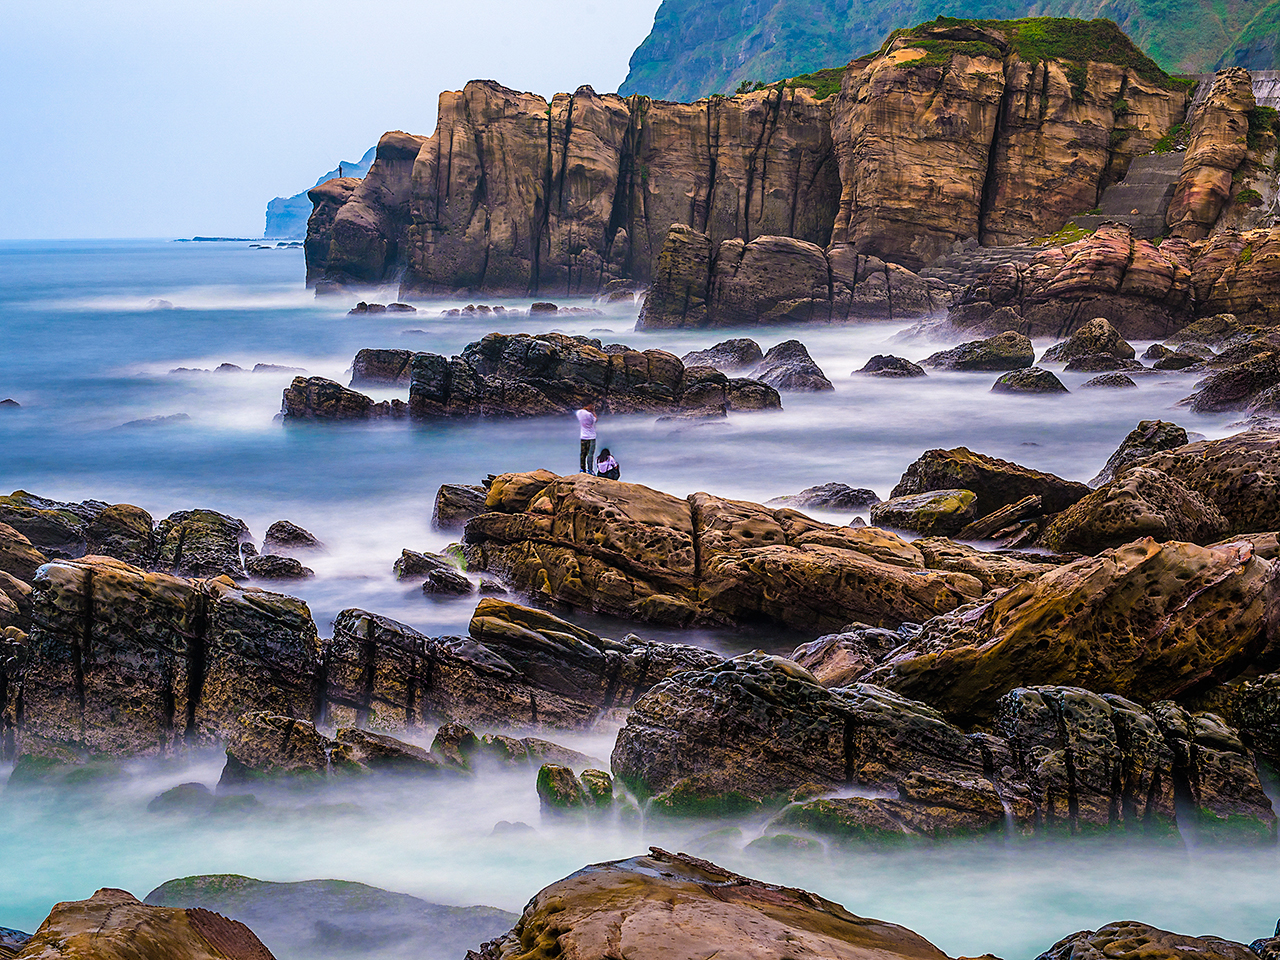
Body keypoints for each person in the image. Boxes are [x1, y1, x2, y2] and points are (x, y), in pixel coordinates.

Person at [575, 402, 598, 474]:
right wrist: (593, 411)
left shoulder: (578, 412)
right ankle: (590, 470)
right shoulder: (590, 415)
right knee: (590, 454)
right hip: (591, 437)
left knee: (583, 454)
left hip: (583, 436)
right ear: (589, 405)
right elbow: (595, 420)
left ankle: (582, 469)